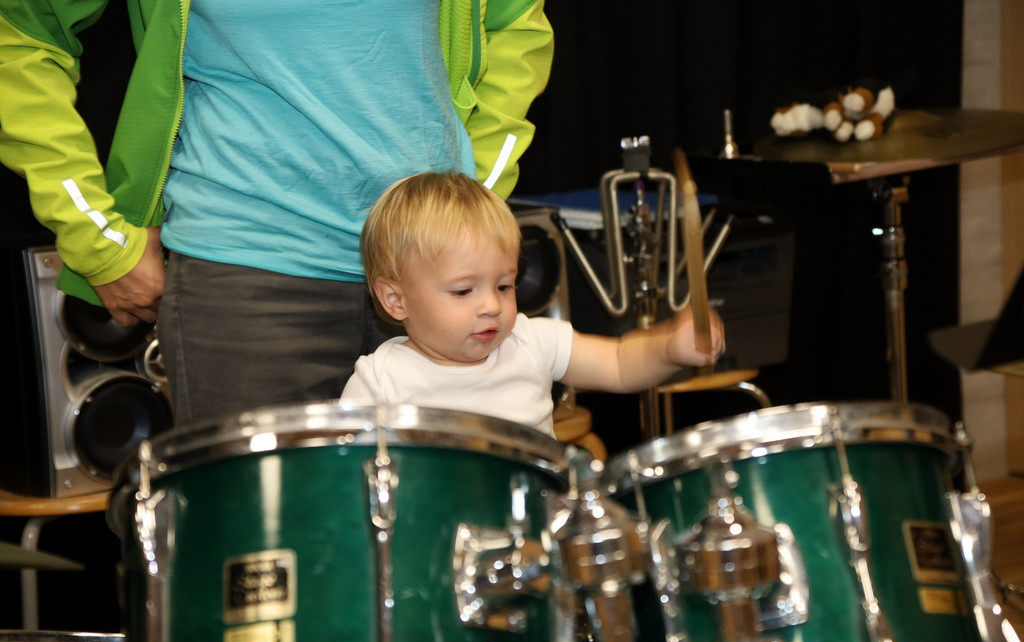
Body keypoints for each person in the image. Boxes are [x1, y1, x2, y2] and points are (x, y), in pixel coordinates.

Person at [0, 0, 553, 425]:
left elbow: (516, 25)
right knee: (259, 536)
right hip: (249, 278)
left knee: (455, 528)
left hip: (444, 273)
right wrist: (95, 235)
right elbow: (22, 35)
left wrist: (470, 206)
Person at [341, 172, 726, 437]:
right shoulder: (380, 382)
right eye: (463, 291)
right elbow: (344, 477)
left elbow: (621, 364)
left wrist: (670, 347)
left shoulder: (531, 341)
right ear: (396, 300)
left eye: (504, 285)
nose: (491, 305)